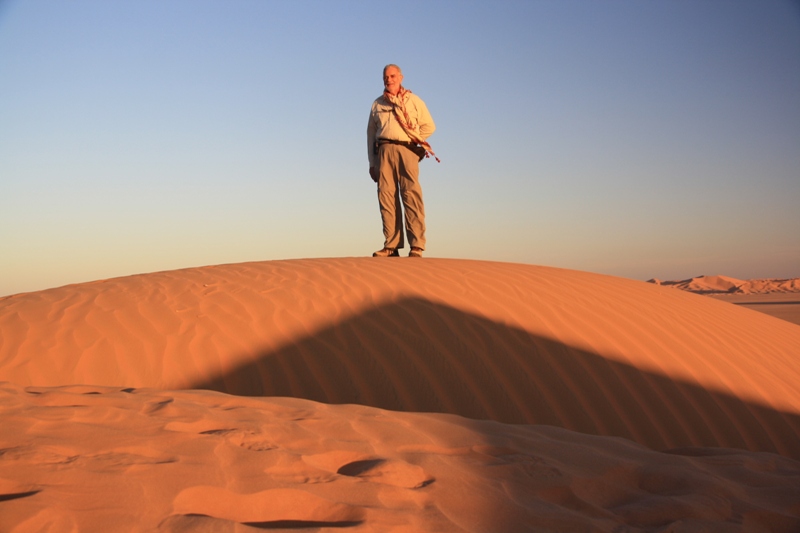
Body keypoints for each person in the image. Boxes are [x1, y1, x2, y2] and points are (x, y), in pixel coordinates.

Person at [367, 64, 437, 258]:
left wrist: (414, 137)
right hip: (383, 150)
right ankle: (391, 245)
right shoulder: (378, 104)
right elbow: (370, 135)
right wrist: (372, 163)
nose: (389, 80)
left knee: (411, 195)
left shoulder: (414, 101)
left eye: (392, 76)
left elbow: (429, 126)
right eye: (385, 77)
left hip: (407, 150)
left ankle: (417, 245)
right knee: (386, 197)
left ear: (401, 77)